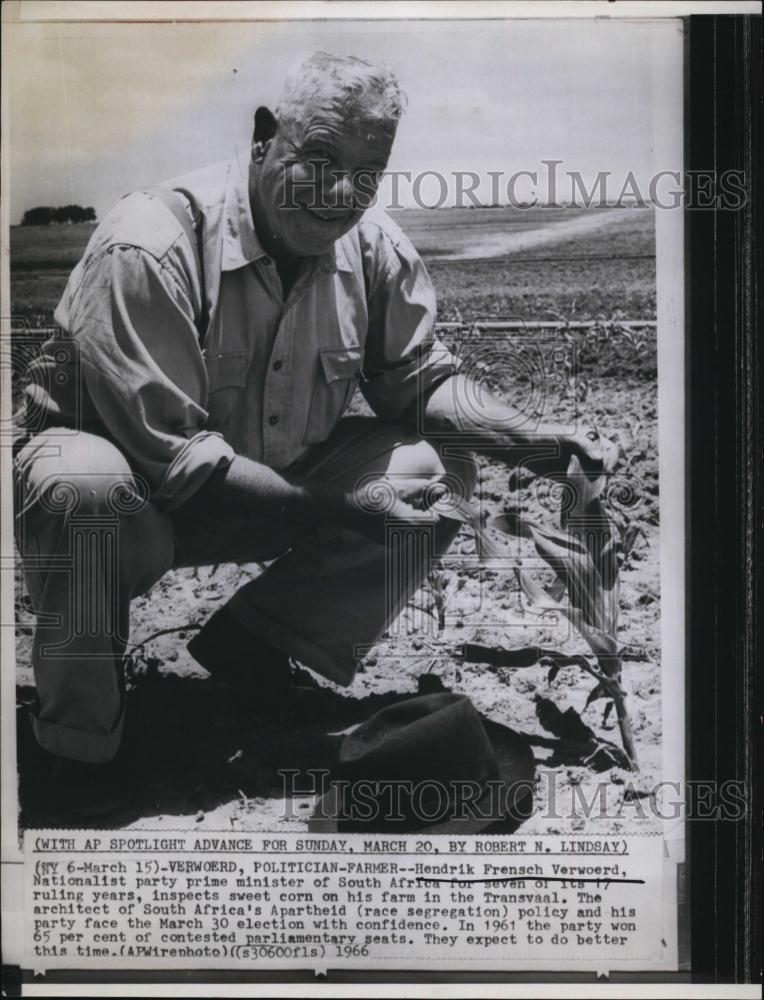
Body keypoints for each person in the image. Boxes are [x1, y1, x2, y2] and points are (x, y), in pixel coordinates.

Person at [14, 51, 611, 817]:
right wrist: (345, 508)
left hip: (256, 489)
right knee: (81, 484)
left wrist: (538, 442)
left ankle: (255, 647)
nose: (341, 193)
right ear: (265, 135)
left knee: (439, 469)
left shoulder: (371, 249)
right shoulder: (150, 243)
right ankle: (80, 750)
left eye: (367, 173)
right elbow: (181, 463)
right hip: (126, 511)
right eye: (321, 159)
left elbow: (424, 382)